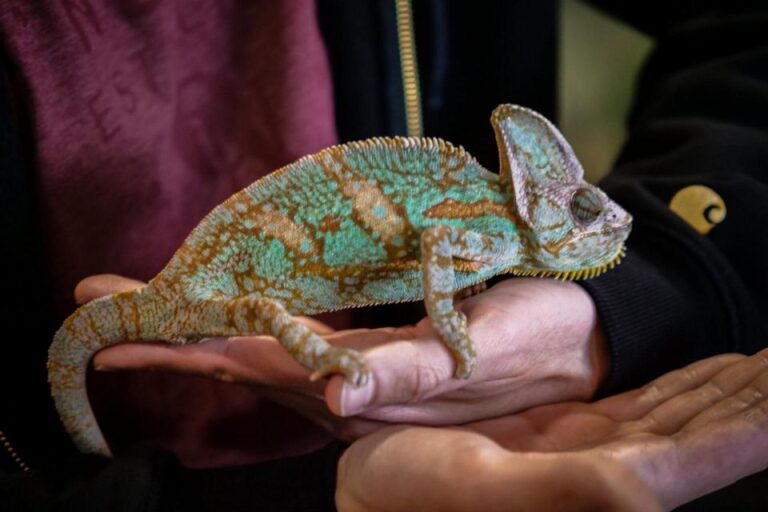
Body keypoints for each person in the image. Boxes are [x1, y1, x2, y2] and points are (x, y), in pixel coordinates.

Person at [1, 0, 767, 510]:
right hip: (196, 398)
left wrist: (662, 277)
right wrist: (450, 325)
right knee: (247, 315)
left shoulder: (497, 224)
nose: (601, 226)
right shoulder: (491, 229)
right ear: (542, 202)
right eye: (584, 211)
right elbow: (437, 243)